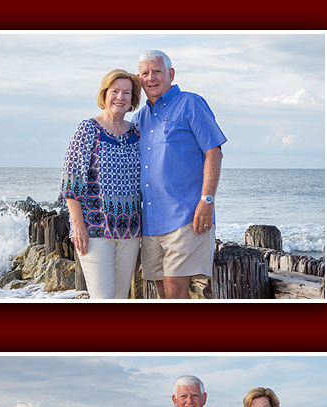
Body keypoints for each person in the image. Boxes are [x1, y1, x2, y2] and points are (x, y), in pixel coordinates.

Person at [132, 50, 227, 299]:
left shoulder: (191, 104)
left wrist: (207, 200)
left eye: (157, 71)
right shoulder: (139, 118)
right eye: (145, 73)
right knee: (163, 293)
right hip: (151, 223)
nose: (151, 78)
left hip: (185, 216)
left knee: (175, 292)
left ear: (171, 74)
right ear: (138, 79)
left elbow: (214, 153)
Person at [60, 69, 143, 299]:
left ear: (133, 98)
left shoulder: (136, 133)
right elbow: (71, 180)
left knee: (120, 298)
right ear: (104, 94)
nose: (120, 97)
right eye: (115, 91)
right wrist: (78, 224)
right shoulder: (88, 129)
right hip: (95, 230)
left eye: (126, 92)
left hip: (130, 230)